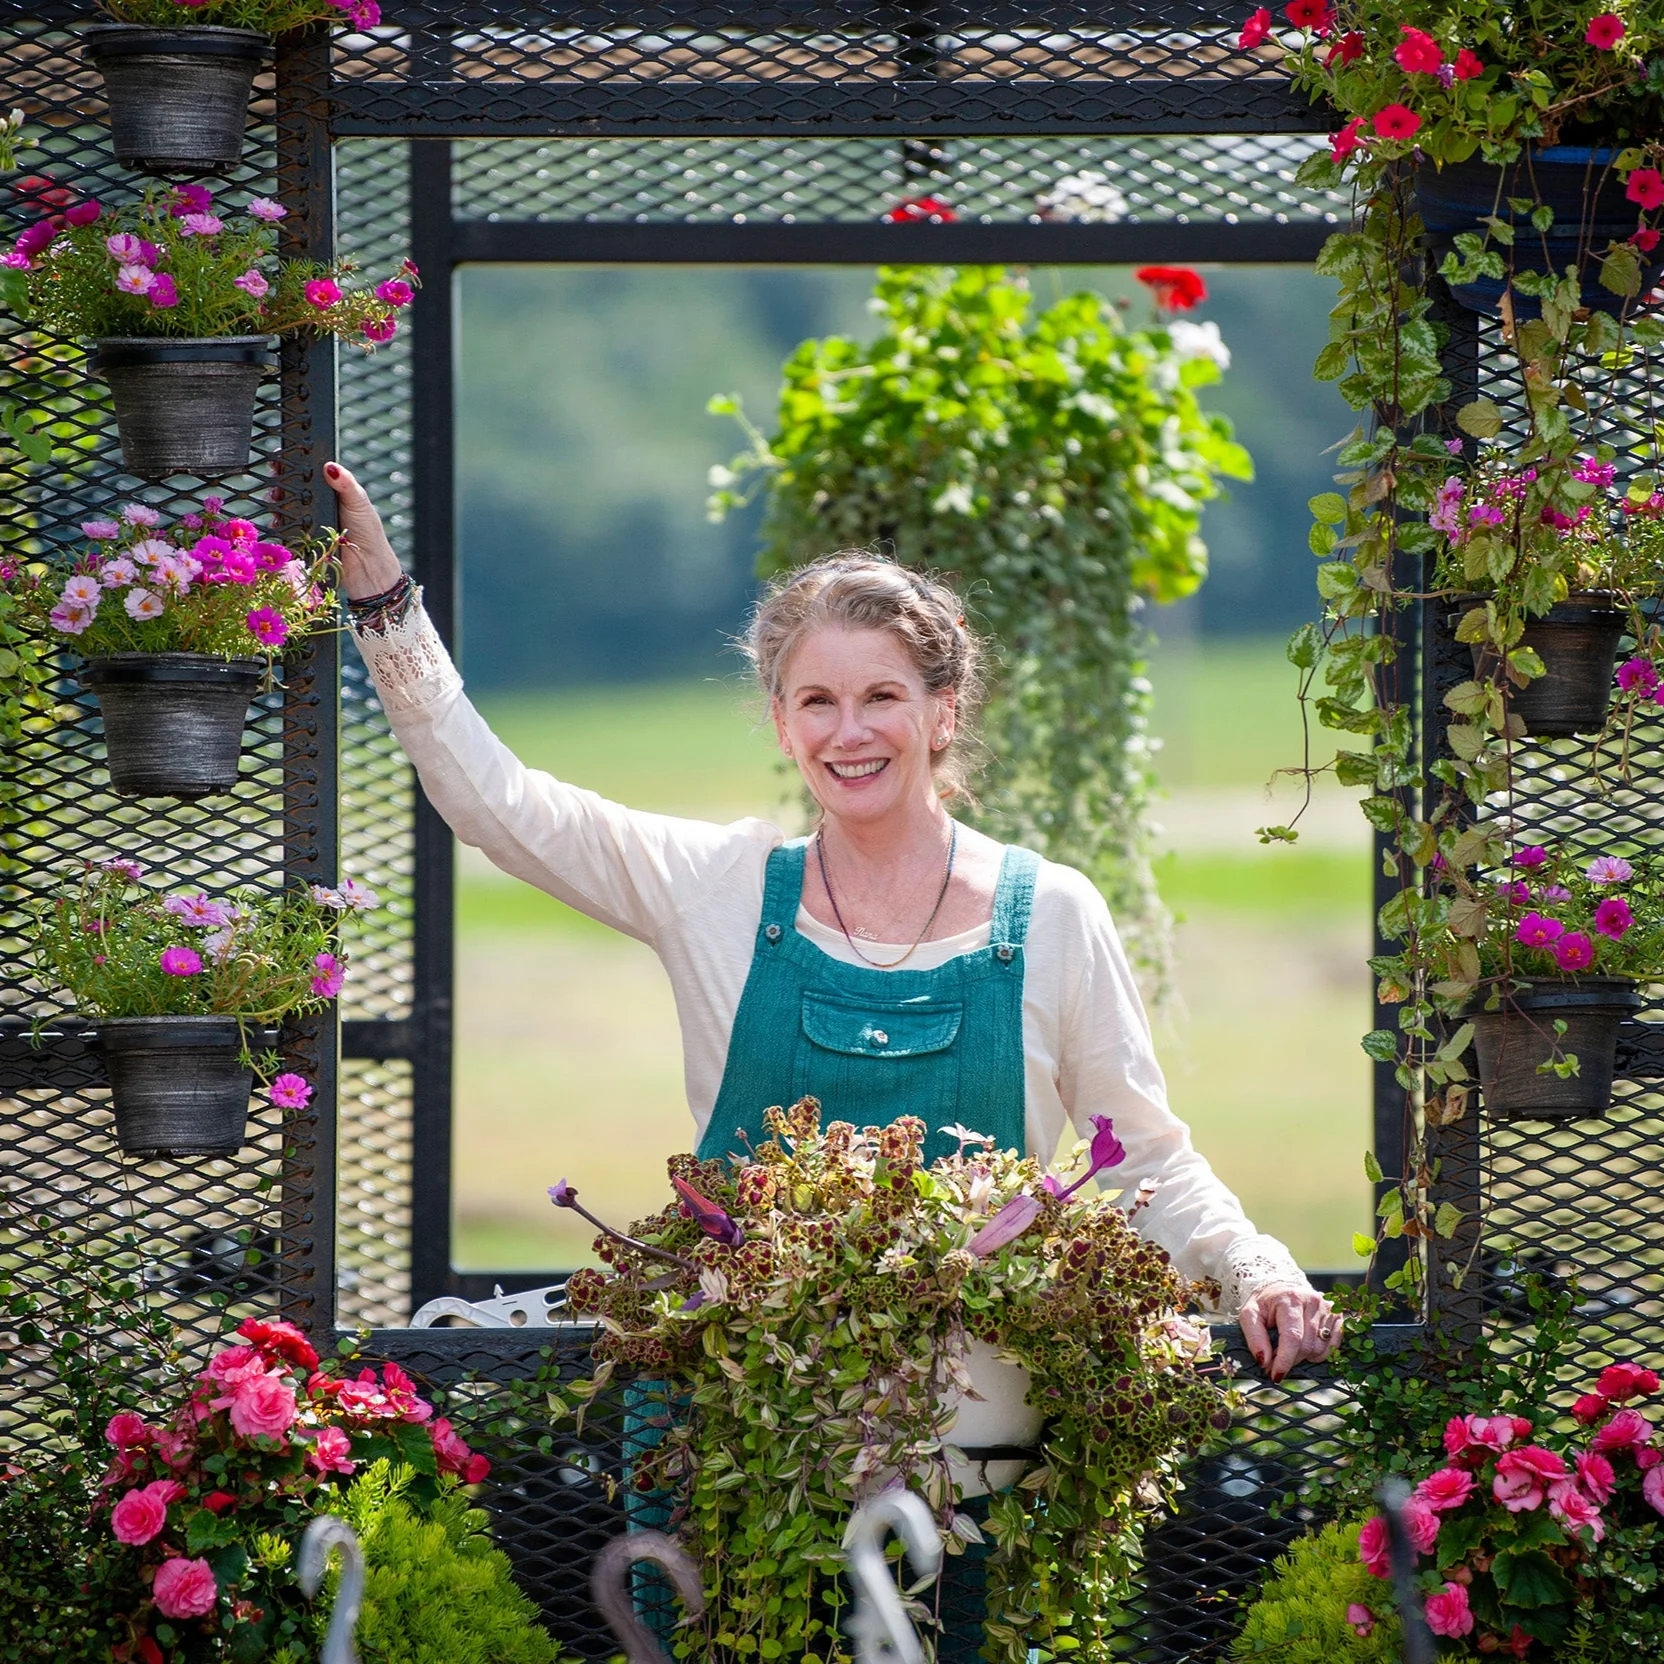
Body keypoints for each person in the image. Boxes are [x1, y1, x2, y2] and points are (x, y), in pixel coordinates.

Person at [324, 459, 1340, 1376]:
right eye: (815, 700)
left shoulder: (1051, 914)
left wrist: (1255, 1267)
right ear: (780, 721)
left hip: (980, 1421)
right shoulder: (715, 885)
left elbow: (1147, 1158)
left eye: (881, 696)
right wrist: (384, 607)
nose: (848, 732)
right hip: (731, 1414)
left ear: (943, 711)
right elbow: (497, 804)